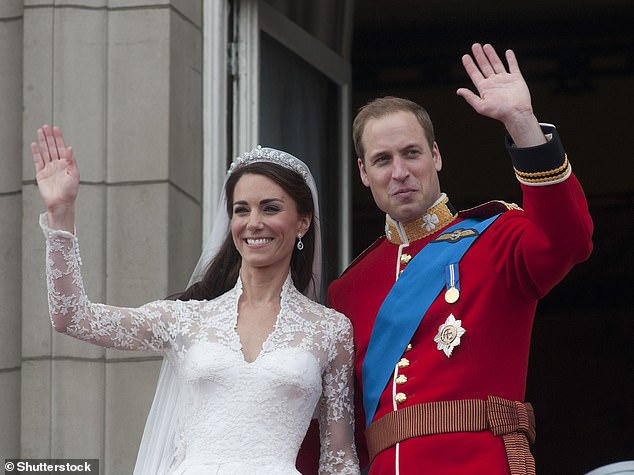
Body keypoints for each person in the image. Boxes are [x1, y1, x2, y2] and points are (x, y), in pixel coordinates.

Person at [301, 43, 594, 474]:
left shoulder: (495, 239)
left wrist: (522, 123)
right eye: (382, 160)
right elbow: (339, 428)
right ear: (364, 173)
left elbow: (568, 239)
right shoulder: (348, 288)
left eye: (412, 153)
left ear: (435, 155)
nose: (399, 171)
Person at [32, 128, 360, 474]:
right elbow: (73, 317)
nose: (253, 223)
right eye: (241, 210)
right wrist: (60, 214)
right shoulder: (186, 320)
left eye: (270, 208)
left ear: (303, 222)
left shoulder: (331, 330)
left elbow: (339, 457)